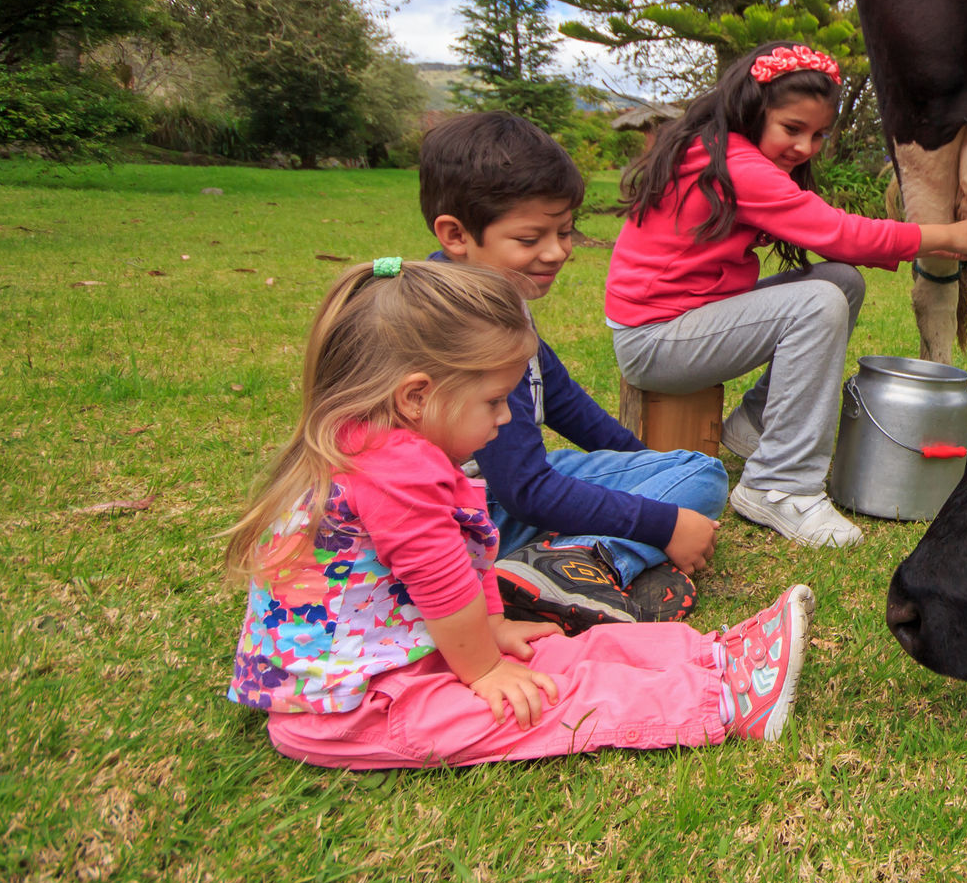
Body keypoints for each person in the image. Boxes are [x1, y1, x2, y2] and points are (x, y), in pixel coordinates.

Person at [223, 258, 815, 769]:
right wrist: (482, 668)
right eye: (491, 402)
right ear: (415, 396)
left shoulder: (390, 448)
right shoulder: (396, 472)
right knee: (532, 701)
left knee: (548, 650)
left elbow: (464, 553)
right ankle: (721, 700)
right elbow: (439, 579)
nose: (506, 418)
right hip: (351, 708)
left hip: (404, 658)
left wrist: (495, 631)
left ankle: (715, 654)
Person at [607, 42, 967, 548]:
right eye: (792, 129)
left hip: (686, 321)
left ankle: (755, 425)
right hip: (655, 341)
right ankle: (779, 485)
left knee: (839, 280)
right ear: (751, 109)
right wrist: (944, 236)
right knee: (818, 301)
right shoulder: (737, 165)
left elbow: (836, 245)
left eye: (817, 134)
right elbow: (839, 232)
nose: (806, 147)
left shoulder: (723, 152)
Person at [420, 112, 728, 631]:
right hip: (467, 513)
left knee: (685, 471)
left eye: (565, 231)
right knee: (701, 479)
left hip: (489, 497)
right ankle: (580, 566)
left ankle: (554, 561)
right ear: (456, 234)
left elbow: (564, 402)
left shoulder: (491, 294)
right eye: (530, 238)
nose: (557, 251)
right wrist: (663, 518)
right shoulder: (466, 324)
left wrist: (647, 468)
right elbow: (524, 489)